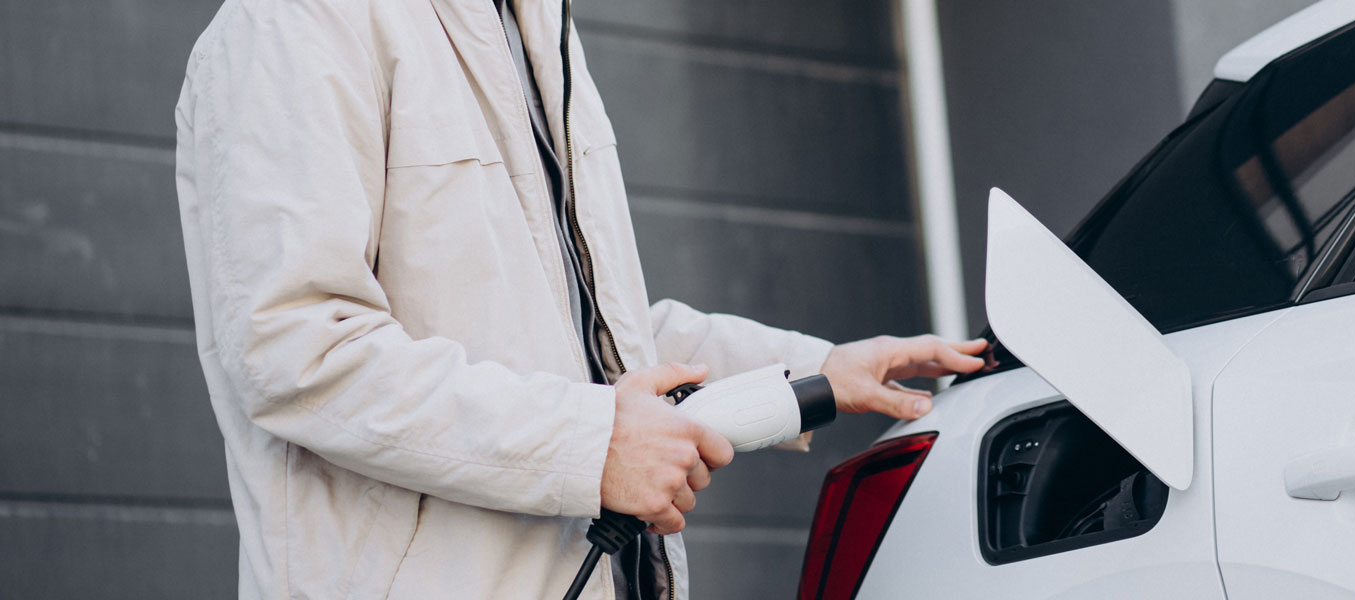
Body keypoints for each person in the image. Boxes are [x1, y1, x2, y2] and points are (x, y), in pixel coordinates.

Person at [172, 0, 986, 598]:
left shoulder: (535, 32)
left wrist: (817, 372)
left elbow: (599, 341)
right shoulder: (288, 26)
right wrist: (589, 445)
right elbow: (297, 350)